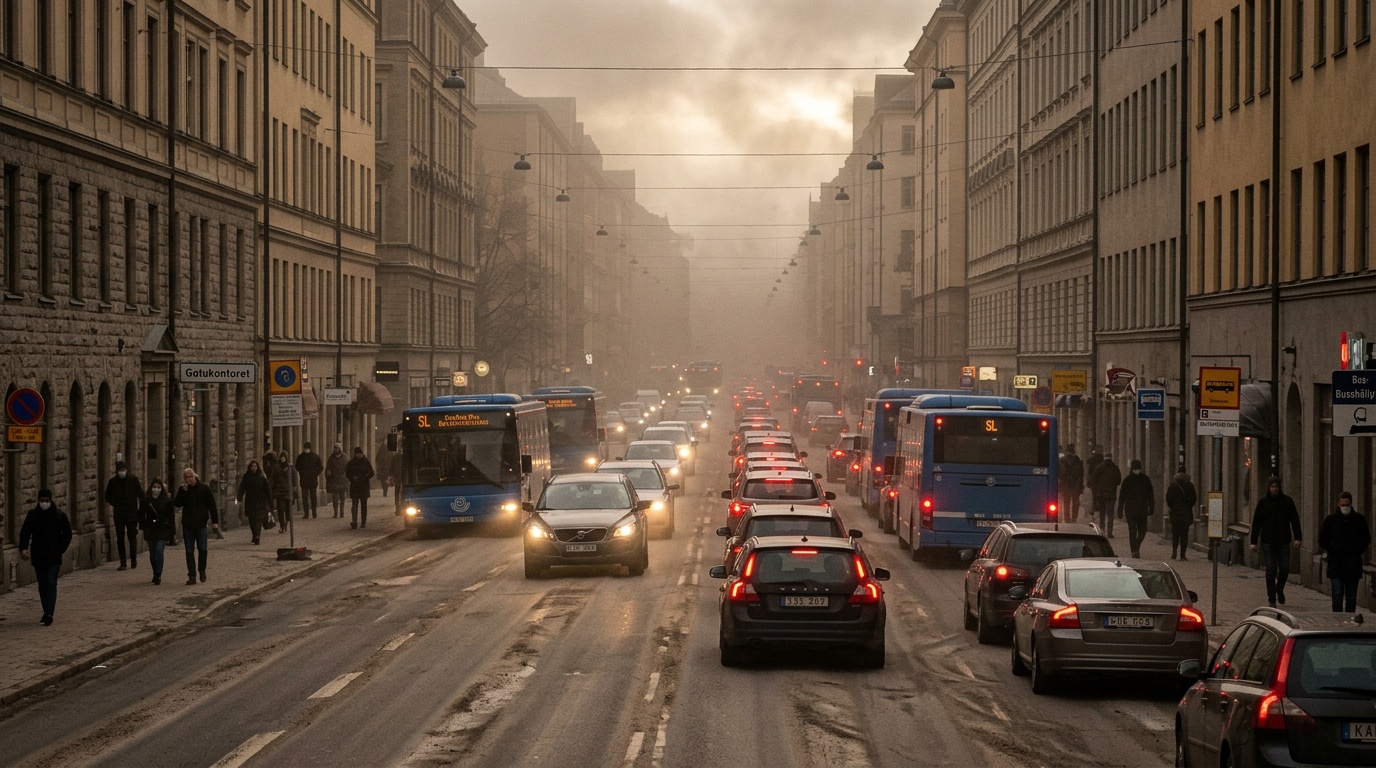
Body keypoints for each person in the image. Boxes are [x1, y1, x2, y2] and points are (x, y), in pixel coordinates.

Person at [19, 489, 73, 625]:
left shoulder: (58, 515)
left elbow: (67, 534)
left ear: (51, 500)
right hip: (38, 555)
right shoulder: (33, 515)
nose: (44, 503)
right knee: (42, 584)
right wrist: (23, 548)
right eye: (42, 501)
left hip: (54, 556)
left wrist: (60, 549)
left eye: (47, 501)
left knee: (51, 582)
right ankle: (46, 610)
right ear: (38, 501)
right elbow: (25, 532)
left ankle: (49, 614)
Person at [1249, 476, 1303, 608]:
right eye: (1272, 487)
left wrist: (1298, 537)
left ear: (1279, 488)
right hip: (1268, 542)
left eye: (1276, 487)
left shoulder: (1287, 501)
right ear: (1269, 488)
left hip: (1284, 541)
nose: (1274, 489)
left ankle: (1279, 589)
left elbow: (1294, 519)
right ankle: (1272, 598)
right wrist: (1253, 541)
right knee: (1271, 570)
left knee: (1285, 569)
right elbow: (1256, 522)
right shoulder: (1263, 503)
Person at [1317, 491, 1371, 612]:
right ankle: (1338, 621)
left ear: (1351, 504)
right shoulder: (1331, 520)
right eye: (1343, 505)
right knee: (1337, 594)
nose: (1345, 507)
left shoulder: (1359, 520)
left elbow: (1366, 538)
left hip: (1353, 564)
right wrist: (1332, 549)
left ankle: (1349, 623)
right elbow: (1322, 539)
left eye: (1347, 504)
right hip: (1336, 564)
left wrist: (1357, 550)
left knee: (1351, 598)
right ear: (1338, 504)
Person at [173, 468, 220, 585]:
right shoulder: (183, 490)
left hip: (201, 525)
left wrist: (215, 521)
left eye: (190, 477)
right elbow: (177, 503)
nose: (189, 479)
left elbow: (212, 506)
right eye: (186, 478)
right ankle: (192, 575)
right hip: (188, 525)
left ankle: (202, 570)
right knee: (189, 551)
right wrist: (182, 491)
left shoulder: (204, 489)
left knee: (202, 549)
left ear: (195, 477)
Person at [104, 460, 144, 570]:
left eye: (123, 470)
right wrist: (114, 503)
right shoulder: (113, 482)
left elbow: (140, 494)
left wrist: (139, 510)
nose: (122, 472)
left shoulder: (133, 480)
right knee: (120, 538)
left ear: (126, 470)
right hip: (119, 515)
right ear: (117, 471)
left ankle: (133, 559)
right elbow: (107, 496)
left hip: (131, 514)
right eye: (120, 470)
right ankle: (123, 562)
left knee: (132, 537)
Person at [138, 479, 176, 584]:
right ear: (151, 488)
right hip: (150, 529)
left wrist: (172, 532)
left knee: (159, 551)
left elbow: (171, 517)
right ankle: (155, 572)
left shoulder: (166, 501)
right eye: (154, 487)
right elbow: (141, 514)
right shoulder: (146, 500)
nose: (156, 489)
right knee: (152, 553)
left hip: (162, 529)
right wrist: (143, 525)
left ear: (161, 489)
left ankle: (158, 574)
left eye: (158, 487)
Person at [1117, 459, 1155, 558]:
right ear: (1132, 469)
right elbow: (1122, 496)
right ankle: (1134, 551)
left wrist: (1151, 506)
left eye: (1138, 468)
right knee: (1132, 530)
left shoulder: (1145, 479)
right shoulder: (1127, 480)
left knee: (1143, 530)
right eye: (1135, 469)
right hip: (1131, 509)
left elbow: (1150, 494)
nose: (1137, 470)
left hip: (1142, 509)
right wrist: (1120, 509)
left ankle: (1136, 546)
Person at [1165, 468, 1199, 560]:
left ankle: (1174, 553)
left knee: (1175, 534)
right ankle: (1183, 555)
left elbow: (1168, 499)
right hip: (1186, 514)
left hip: (1175, 513)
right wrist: (1187, 506)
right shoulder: (1190, 485)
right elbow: (1194, 499)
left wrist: (1173, 507)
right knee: (1184, 535)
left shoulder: (1173, 486)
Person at [236, 460, 271, 544]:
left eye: (255, 466)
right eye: (252, 466)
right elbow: (242, 487)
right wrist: (239, 497)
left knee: (258, 519)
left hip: (260, 501)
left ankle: (257, 536)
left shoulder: (262, 476)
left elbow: (267, 489)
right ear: (250, 467)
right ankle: (254, 535)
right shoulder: (247, 476)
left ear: (257, 467)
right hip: (250, 501)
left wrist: (269, 500)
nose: (253, 468)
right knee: (252, 520)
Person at [1089, 451, 1122, 538]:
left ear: (1104, 457)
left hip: (1101, 494)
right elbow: (1119, 481)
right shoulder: (1115, 468)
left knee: (1102, 513)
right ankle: (1110, 532)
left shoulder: (1099, 467)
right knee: (1110, 513)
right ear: (1111, 457)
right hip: (1111, 494)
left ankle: (1102, 531)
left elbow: (1094, 480)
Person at [345, 446, 375, 530]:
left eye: (360, 454)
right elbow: (347, 473)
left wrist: (364, 477)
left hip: (364, 486)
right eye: (357, 454)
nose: (359, 455)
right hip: (354, 486)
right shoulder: (351, 463)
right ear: (355, 454)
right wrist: (352, 478)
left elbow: (371, 473)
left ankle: (363, 522)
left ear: (362, 454)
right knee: (354, 505)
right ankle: (354, 522)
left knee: (363, 505)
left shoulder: (366, 462)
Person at [295, 442, 324, 519]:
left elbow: (321, 467)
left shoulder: (315, 457)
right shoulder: (300, 457)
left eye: (308, 448)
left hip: (312, 480)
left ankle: (314, 512)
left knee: (313, 497)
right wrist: (301, 472)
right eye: (305, 448)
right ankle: (306, 513)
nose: (307, 449)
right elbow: (297, 466)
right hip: (305, 480)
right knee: (305, 497)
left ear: (310, 448)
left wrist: (315, 473)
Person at [266, 452, 293, 534]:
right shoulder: (276, 467)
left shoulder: (290, 467)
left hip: (288, 491)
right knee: (280, 509)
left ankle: (286, 522)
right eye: (281, 457)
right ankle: (282, 525)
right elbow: (272, 478)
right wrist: (270, 488)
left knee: (288, 510)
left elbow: (294, 480)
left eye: (284, 457)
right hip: (279, 491)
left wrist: (294, 491)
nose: (283, 458)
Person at [1058, 444, 1085, 522]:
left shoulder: (1061, 461)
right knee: (1075, 502)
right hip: (1075, 484)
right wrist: (1081, 487)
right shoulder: (1078, 461)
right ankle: (1074, 518)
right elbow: (1081, 475)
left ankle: (1067, 518)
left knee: (1066, 502)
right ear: (1074, 451)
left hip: (1065, 484)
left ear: (1066, 451)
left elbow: (1059, 473)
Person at [326, 443, 349, 519]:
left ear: (340, 449)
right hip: (334, 480)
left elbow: (348, 468)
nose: (337, 450)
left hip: (342, 480)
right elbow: (328, 467)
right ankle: (335, 512)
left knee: (342, 498)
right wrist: (328, 472)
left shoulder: (344, 457)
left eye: (338, 448)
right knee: (335, 498)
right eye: (336, 448)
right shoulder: (331, 458)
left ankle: (341, 512)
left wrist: (346, 476)